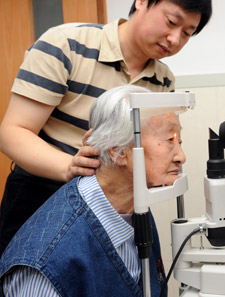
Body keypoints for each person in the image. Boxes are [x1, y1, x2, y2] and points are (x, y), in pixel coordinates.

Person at [0, 0, 212, 255]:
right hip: (43, 192)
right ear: (141, 2)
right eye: (171, 22)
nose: (175, 39)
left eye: (187, 33)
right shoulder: (66, 45)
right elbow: (12, 132)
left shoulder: (163, 79)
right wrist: (68, 166)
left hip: (116, 202)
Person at [0, 85, 186, 297]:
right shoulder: (48, 261)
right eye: (170, 141)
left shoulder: (135, 207)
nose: (181, 157)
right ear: (117, 150)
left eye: (179, 140)